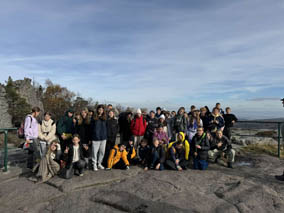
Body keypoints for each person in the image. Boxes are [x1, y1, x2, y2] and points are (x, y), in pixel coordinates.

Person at [90, 105, 107, 171]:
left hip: (103, 138)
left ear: (103, 111)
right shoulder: (94, 118)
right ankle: (94, 164)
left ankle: (99, 164)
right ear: (97, 110)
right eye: (99, 109)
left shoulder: (105, 118)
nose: (100, 111)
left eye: (102, 110)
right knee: (94, 152)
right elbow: (91, 129)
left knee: (102, 152)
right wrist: (91, 138)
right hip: (95, 138)